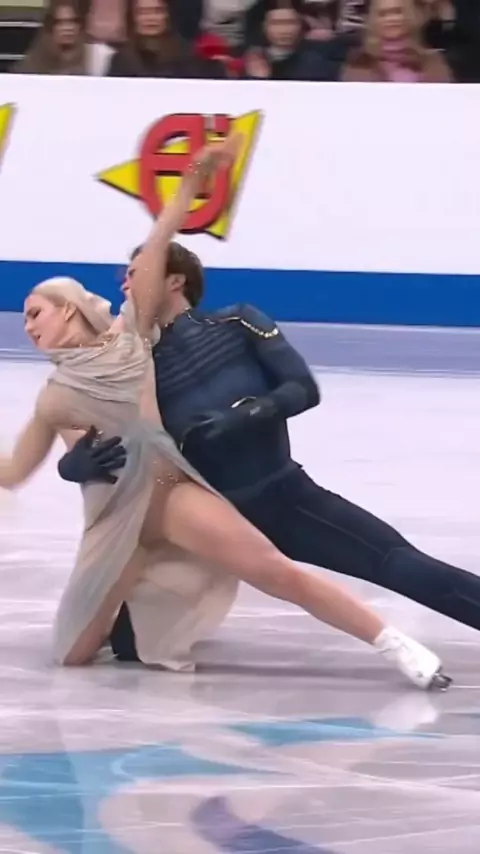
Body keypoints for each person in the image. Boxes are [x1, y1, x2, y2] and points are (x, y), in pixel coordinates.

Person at [2, 136, 447, 688]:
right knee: (73, 654)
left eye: (35, 313)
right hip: (111, 515)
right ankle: (128, 613)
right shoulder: (53, 395)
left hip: (165, 490)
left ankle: (398, 646)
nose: (27, 326)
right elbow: (18, 469)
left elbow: (160, 239)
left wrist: (193, 179)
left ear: (69, 309)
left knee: (272, 570)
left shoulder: (130, 337)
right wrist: (75, 463)